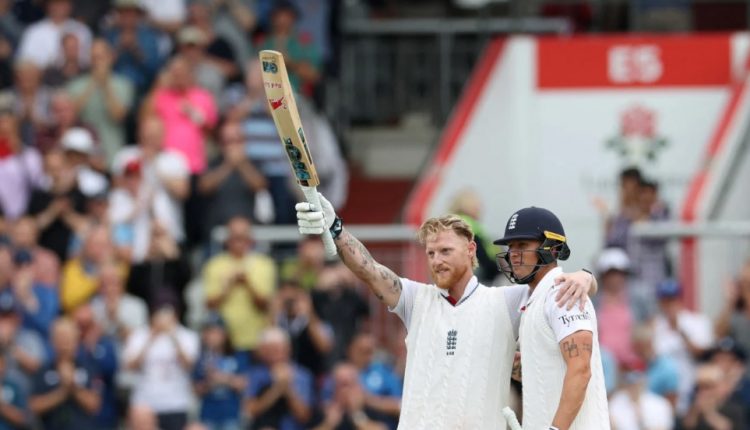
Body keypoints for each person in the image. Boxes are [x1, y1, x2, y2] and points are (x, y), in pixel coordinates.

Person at [295, 194, 597, 429]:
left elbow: (551, 287)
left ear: (470, 250)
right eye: (430, 253)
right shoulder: (416, 299)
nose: (436, 260)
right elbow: (370, 270)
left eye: (445, 251)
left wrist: (586, 277)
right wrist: (336, 229)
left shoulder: (506, 300)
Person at [493, 206, 609, 429]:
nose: (513, 254)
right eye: (511, 246)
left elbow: (580, 370)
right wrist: (525, 367)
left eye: (522, 245)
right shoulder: (534, 297)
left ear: (552, 249)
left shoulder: (562, 294)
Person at [202, 216, 276, 355]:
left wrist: (247, 284)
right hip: (224, 342)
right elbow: (209, 305)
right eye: (235, 238)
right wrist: (227, 288)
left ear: (251, 239)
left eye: (242, 238)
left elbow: (266, 305)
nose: (239, 242)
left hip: (256, 340)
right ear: (228, 240)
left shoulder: (264, 264)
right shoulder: (214, 265)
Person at [123, 299, 200, 430]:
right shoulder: (139, 335)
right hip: (146, 403)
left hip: (175, 404)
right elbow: (130, 366)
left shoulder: (188, 336)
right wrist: (151, 338)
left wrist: (173, 336)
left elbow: (189, 365)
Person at [29, 317, 102, 430]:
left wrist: (72, 386)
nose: (64, 343)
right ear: (52, 341)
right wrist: (62, 392)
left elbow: (94, 405)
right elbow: (34, 406)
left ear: (76, 340)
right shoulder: (43, 370)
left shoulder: (89, 367)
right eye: (60, 338)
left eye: (68, 338)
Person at [245, 327, 314, 430]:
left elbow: (304, 415)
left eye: (277, 349)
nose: (274, 353)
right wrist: (276, 389)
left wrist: (288, 390)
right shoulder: (256, 374)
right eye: (269, 349)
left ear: (288, 349)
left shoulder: (302, 375)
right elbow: (250, 411)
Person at [192, 313, 248, 430]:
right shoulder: (201, 358)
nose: (211, 336)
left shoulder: (237, 355)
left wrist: (222, 378)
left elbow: (243, 384)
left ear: (225, 334)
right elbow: (197, 391)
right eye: (208, 332)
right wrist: (208, 381)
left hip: (231, 414)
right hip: (207, 415)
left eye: (215, 332)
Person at [609, 369, 674, 430]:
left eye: (636, 382)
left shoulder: (660, 403)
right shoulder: (616, 401)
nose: (633, 387)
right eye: (630, 383)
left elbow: (664, 427)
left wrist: (643, 422)